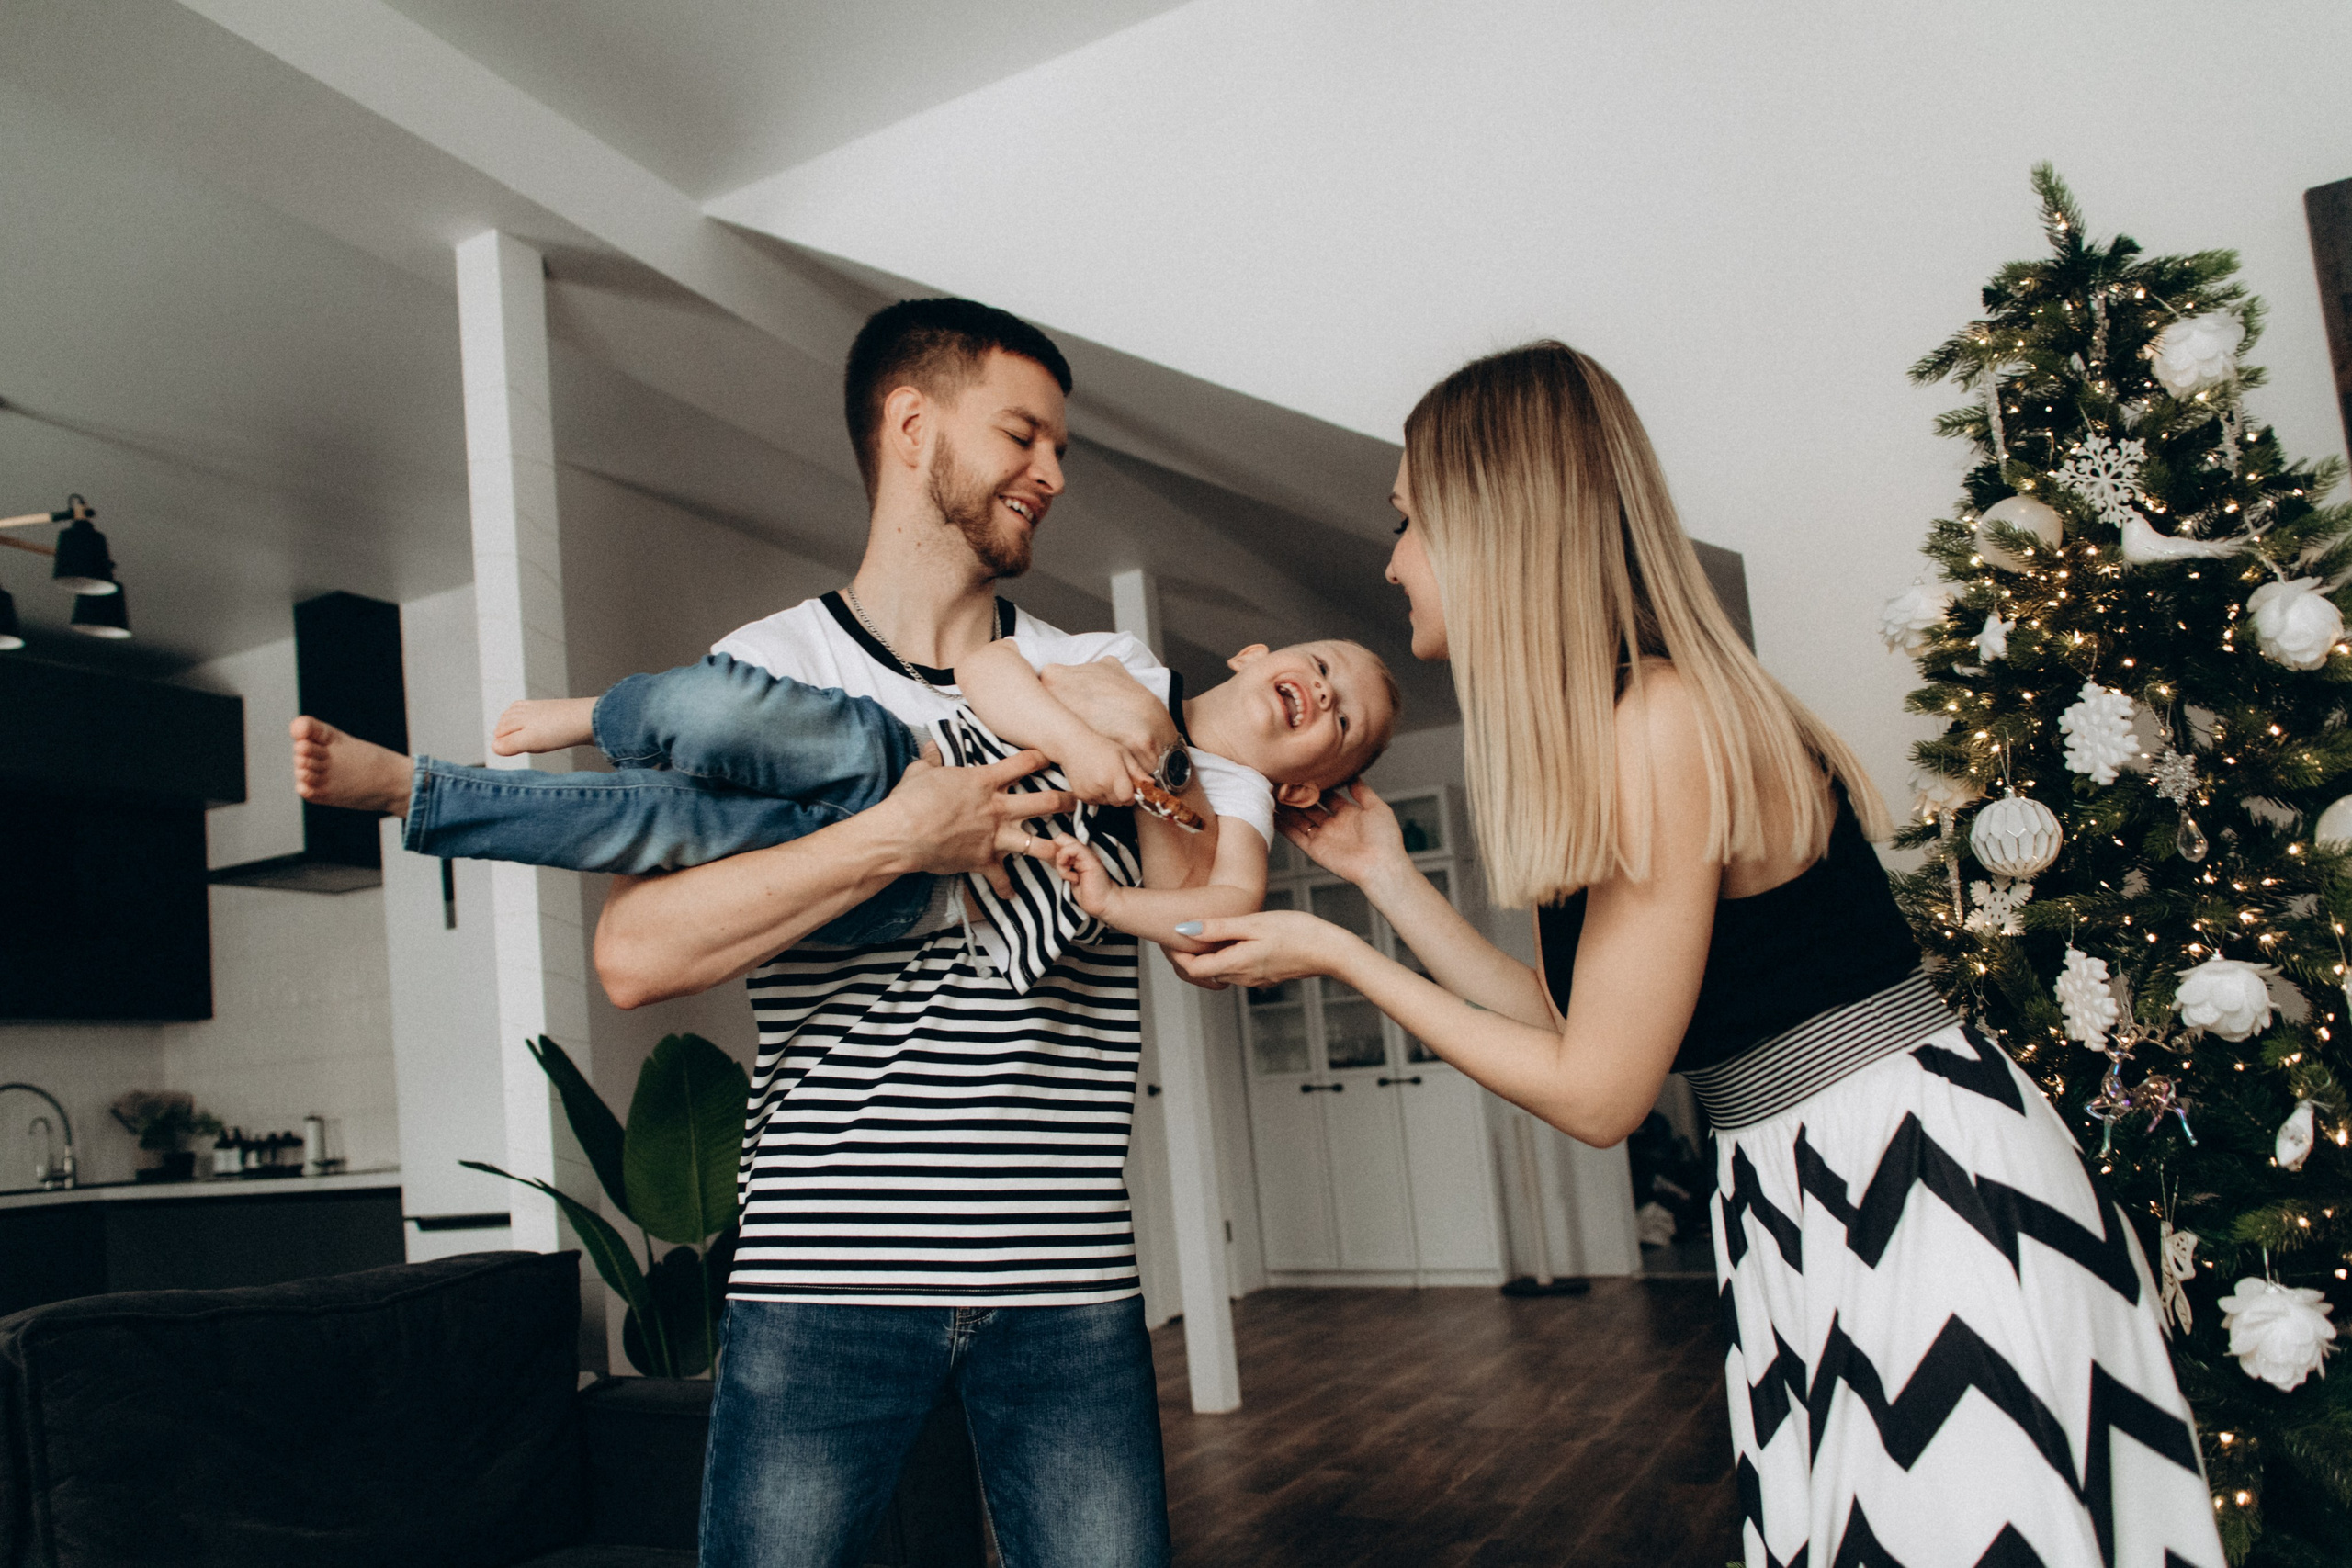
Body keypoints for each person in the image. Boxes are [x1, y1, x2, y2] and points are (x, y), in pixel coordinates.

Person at [1170, 342, 2224, 1568]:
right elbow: (1584, 1026)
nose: (1392, 557)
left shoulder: (1658, 716)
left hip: (1910, 1183)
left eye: (1407, 519)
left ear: (1494, 524)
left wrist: (1328, 952)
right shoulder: (1627, 711)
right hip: (1804, 1173)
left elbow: (1601, 1093)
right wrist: (1383, 878)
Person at [286, 630, 1396, 957]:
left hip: (924, 901)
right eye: (1324, 665)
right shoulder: (1126, 666)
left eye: (1345, 725)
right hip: (900, 762)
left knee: (666, 826)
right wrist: (1075, 730)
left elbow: (1225, 910)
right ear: (1255, 655)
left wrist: (1113, 898)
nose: (1326, 694)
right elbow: (988, 671)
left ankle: (419, 799)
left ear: (1313, 788)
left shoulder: (1232, 802)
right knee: (723, 713)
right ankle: (594, 715)